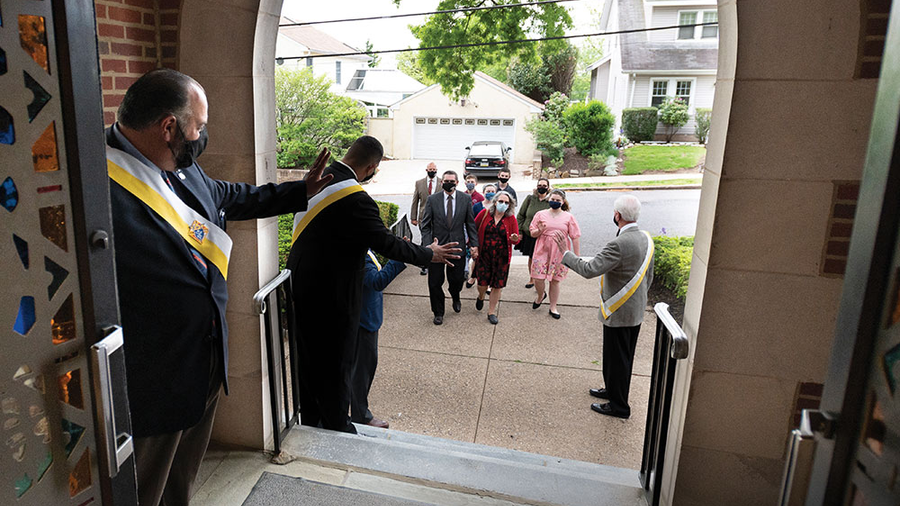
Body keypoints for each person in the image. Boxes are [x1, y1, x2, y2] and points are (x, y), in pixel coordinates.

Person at [106, 68, 333, 506]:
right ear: (168, 127)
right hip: (152, 381)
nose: (202, 135)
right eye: (199, 126)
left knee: (181, 480)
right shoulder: (95, 185)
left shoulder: (179, 164)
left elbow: (227, 195)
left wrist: (296, 192)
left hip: (204, 365)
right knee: (143, 489)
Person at [287, 136, 460, 433]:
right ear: (372, 167)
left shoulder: (314, 182)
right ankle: (337, 431)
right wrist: (429, 254)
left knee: (308, 367)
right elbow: (387, 243)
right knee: (336, 369)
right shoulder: (356, 199)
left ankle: (310, 425)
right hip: (332, 301)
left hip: (300, 292)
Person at [554, 195, 654, 419]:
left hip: (618, 311)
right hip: (634, 310)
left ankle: (619, 406)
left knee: (617, 360)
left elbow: (590, 270)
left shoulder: (618, 244)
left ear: (617, 215)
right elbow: (650, 277)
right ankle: (612, 390)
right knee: (618, 358)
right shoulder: (646, 238)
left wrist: (565, 253)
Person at [351, 250, 407, 429]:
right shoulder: (359, 253)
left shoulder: (364, 248)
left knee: (360, 369)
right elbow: (376, 281)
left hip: (365, 319)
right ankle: (360, 416)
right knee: (362, 371)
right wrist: (399, 258)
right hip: (364, 322)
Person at [421, 170, 478, 325]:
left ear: (457, 183)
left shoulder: (465, 199)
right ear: (441, 182)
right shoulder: (433, 200)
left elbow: (470, 224)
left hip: (457, 247)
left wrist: (474, 245)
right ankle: (438, 312)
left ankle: (455, 296)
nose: (449, 183)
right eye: (446, 181)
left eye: (452, 181)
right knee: (435, 282)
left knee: (456, 280)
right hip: (437, 249)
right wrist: (428, 245)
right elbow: (425, 225)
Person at [529, 189, 581, 319]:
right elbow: (532, 232)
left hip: (559, 251)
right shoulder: (540, 214)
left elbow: (575, 236)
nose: (555, 202)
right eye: (553, 199)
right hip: (542, 249)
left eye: (558, 200)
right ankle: (541, 295)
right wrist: (539, 230)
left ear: (563, 202)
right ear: (548, 199)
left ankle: (553, 307)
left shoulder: (569, 217)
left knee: (555, 281)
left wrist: (576, 257)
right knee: (538, 278)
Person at [473, 191, 520, 324]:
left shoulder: (511, 219)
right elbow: (473, 230)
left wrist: (515, 239)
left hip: (502, 258)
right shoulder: (484, 214)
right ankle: (481, 296)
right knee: (482, 284)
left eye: (506, 203)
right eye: (501, 201)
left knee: (497, 286)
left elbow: (515, 239)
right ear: (495, 202)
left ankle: (491, 312)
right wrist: (473, 246)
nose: (503, 204)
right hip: (484, 256)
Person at [516, 177, 552, 289]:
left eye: (544, 186)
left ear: (548, 187)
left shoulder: (550, 201)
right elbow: (521, 215)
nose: (541, 187)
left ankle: (541, 279)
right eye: (539, 185)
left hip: (543, 235)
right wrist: (520, 231)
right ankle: (532, 278)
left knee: (543, 258)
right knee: (532, 257)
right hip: (529, 234)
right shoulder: (530, 199)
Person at [411, 162, 441, 275]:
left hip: (438, 217)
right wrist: (413, 217)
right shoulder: (419, 183)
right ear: (426, 170)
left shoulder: (442, 182)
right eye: (430, 169)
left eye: (434, 169)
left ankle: (435, 261)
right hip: (423, 217)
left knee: (436, 239)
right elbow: (415, 201)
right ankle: (425, 264)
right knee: (425, 239)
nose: (432, 171)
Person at [466, 183, 496, 288]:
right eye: (488, 191)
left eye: (493, 191)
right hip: (479, 237)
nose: (490, 193)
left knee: (491, 261)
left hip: (493, 239)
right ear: (483, 193)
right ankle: (473, 277)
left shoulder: (497, 207)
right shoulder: (477, 206)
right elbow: (471, 223)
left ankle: (488, 284)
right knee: (476, 258)